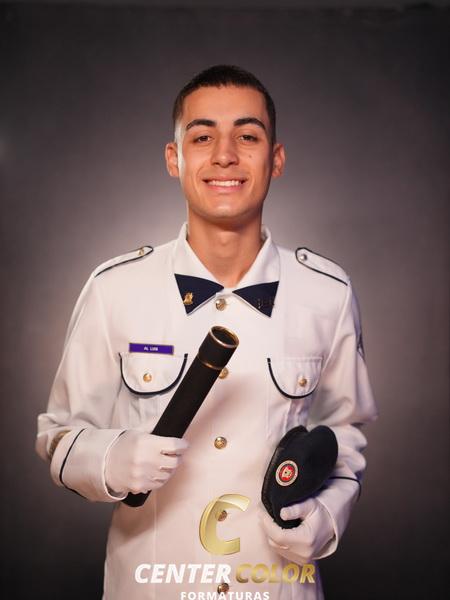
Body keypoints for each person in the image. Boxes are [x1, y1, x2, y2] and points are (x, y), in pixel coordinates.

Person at [36, 65, 377, 600]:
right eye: (202, 137)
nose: (224, 155)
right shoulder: (113, 289)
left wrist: (329, 514)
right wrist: (112, 456)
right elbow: (58, 435)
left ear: (276, 159)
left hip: (276, 585)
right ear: (174, 159)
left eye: (247, 136)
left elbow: (344, 432)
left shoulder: (326, 293)